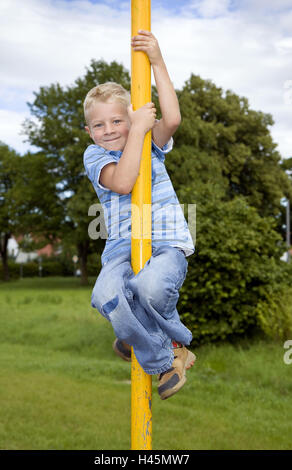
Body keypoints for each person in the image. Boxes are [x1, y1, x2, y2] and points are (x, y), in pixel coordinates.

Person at [83, 30, 196, 400]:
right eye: (99, 125)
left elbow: (174, 118)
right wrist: (137, 131)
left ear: (130, 119)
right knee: (105, 295)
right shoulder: (95, 156)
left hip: (164, 241)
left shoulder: (149, 142)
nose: (109, 130)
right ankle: (168, 351)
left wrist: (158, 61)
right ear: (88, 131)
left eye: (118, 121)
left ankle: (152, 348)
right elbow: (124, 181)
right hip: (120, 246)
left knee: (149, 288)